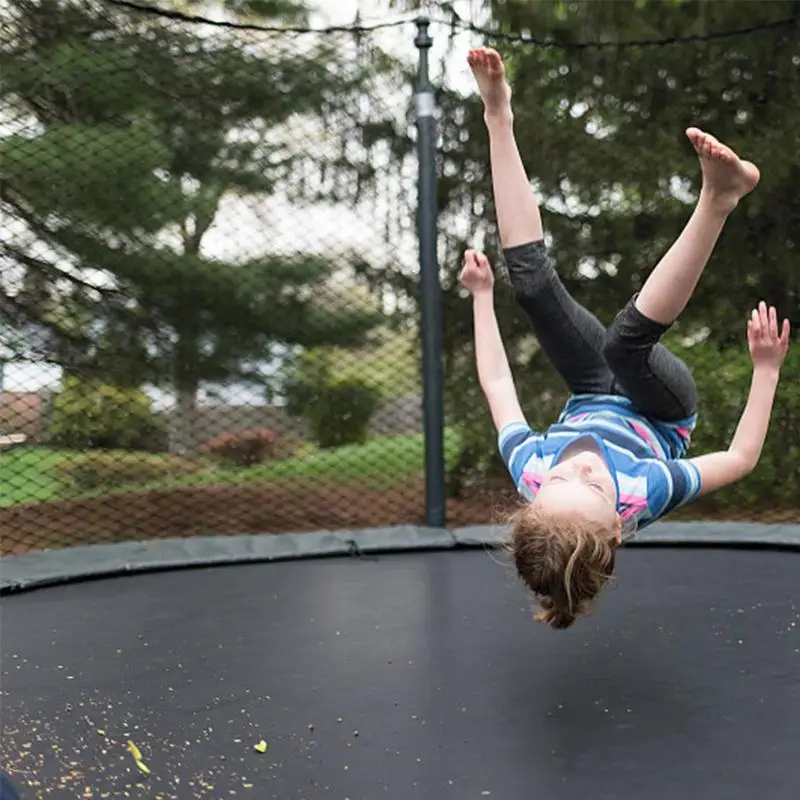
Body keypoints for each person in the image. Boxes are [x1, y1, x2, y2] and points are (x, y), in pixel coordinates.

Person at [459, 47, 792, 629]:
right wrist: (765, 371)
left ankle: (497, 116)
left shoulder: (532, 467)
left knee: (532, 286)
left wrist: (482, 300)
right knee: (624, 346)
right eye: (589, 484)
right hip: (660, 408)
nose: (576, 469)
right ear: (617, 520)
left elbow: (495, 383)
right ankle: (719, 198)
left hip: (591, 389)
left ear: (534, 495)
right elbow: (739, 459)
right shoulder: (648, 486)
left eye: (559, 479)